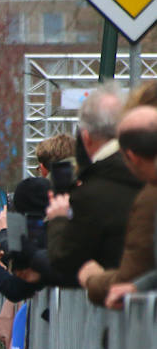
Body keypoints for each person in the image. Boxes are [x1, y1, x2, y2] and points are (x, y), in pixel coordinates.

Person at [47, 83, 142, 281]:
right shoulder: (143, 172)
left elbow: (66, 261)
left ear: (86, 138)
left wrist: (58, 219)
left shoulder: (90, 193)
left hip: (113, 293)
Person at [78, 105, 157, 307]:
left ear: (132, 157)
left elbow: (132, 272)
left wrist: (92, 280)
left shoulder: (149, 198)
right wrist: (139, 286)